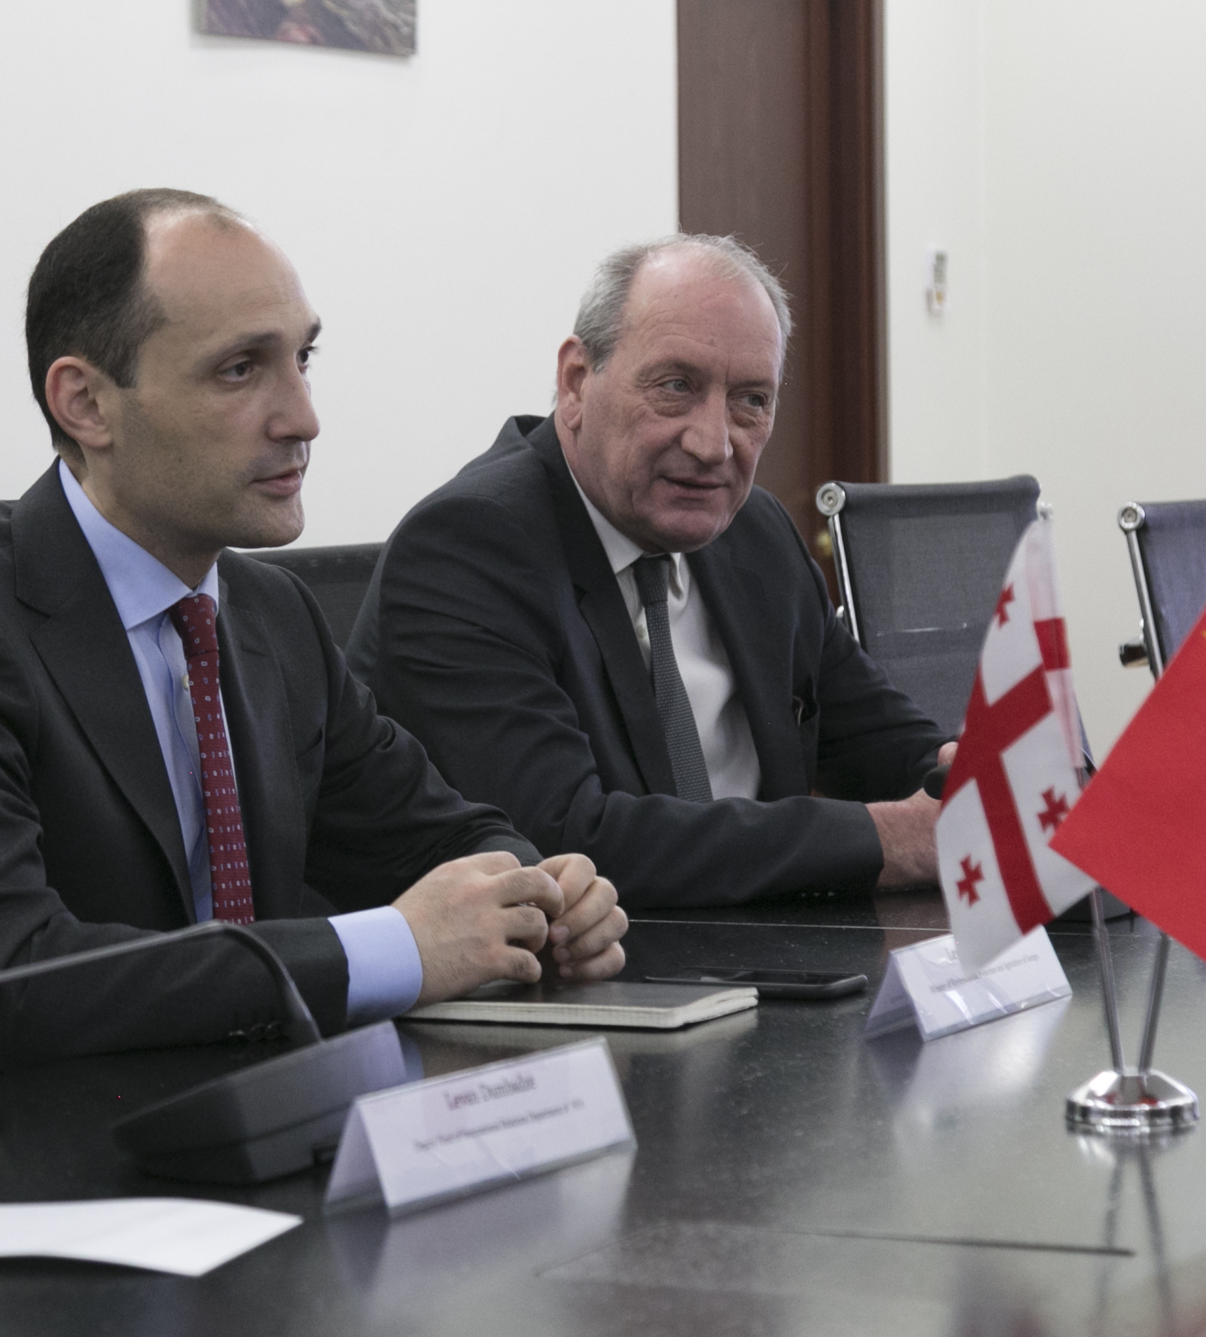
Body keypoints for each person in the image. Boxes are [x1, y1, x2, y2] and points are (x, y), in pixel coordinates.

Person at [0, 189, 627, 1081]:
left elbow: (439, 836)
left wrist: (538, 895)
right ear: (86, 403)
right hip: (16, 1133)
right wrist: (398, 946)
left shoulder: (271, 613)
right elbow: (12, 979)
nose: (303, 418)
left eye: (302, 359)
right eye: (240, 370)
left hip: (254, 1103)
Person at [348, 234, 952, 908]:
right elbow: (562, 843)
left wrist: (974, 782)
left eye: (751, 400)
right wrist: (890, 838)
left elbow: (879, 737)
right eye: (675, 387)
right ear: (576, 382)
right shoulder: (467, 548)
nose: (713, 444)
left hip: (779, 944)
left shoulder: (754, 532)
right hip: (598, 961)